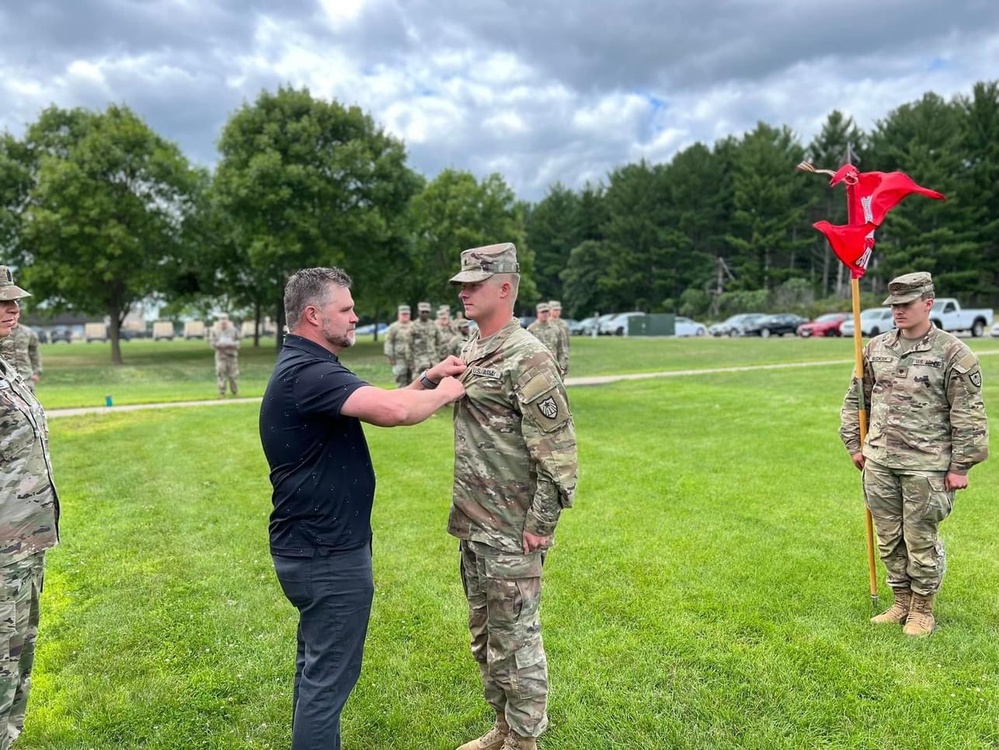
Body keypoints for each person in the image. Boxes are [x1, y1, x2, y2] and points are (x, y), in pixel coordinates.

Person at [259, 267, 465, 750]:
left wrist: (426, 377)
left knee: (316, 671)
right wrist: (446, 393)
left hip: (312, 549)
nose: (355, 318)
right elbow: (394, 413)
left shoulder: (308, 365)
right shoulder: (308, 373)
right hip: (325, 555)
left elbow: (381, 398)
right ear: (313, 315)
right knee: (327, 682)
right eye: (346, 310)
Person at [449, 243, 577, 750]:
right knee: (486, 637)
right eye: (461, 285)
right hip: (474, 523)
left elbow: (559, 455)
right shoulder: (477, 348)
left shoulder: (529, 356)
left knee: (517, 642)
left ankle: (525, 742)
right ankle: (502, 729)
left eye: (473, 284)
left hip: (511, 528)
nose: (464, 292)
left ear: (505, 287)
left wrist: (540, 524)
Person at [840, 271, 988, 637]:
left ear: (928, 304)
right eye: (894, 305)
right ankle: (901, 602)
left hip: (928, 466)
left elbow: (968, 413)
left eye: (906, 304)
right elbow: (857, 399)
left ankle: (923, 609)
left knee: (920, 538)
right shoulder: (876, 348)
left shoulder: (954, 353)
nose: (898, 311)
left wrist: (961, 466)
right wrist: (855, 445)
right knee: (889, 537)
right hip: (880, 462)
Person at [0, 266, 60, 748]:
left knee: (20, 649)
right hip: (1, 547)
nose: (12, 308)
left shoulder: (7, 369)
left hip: (25, 539)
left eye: (14, 300)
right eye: (1, 303)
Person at [0, 320, 41, 394]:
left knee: (30, 402)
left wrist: (36, 372)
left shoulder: (28, 332)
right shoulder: (2, 332)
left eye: (15, 313)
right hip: (6, 376)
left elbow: (34, 353)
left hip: (26, 375)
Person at [526, 303, 566, 376]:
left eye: (546, 312)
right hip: (538, 368)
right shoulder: (531, 329)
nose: (545, 314)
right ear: (538, 313)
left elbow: (561, 350)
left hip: (554, 368)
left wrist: (562, 367)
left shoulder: (556, 329)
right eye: (542, 312)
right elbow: (527, 351)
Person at [407, 301, 446, 375]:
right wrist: (411, 362)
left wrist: (438, 355)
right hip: (418, 362)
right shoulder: (413, 326)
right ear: (419, 312)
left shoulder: (433, 325)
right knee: (418, 384)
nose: (425, 314)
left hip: (433, 361)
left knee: (434, 384)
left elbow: (441, 341)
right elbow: (408, 345)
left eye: (427, 312)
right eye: (423, 312)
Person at [209, 314, 241, 398]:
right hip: (221, 356)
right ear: (219, 321)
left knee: (233, 375)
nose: (223, 323)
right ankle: (222, 392)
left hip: (232, 356)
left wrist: (233, 344)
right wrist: (218, 344)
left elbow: (239, 341)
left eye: (225, 321)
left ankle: (235, 392)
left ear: (228, 321)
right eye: (221, 321)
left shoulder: (234, 330)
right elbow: (211, 343)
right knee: (221, 374)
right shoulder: (214, 330)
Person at [383, 304, 412, 389]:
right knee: (401, 381)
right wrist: (391, 357)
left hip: (413, 359)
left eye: (407, 314)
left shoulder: (414, 326)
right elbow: (388, 342)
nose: (405, 316)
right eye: (403, 314)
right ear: (399, 315)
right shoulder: (393, 327)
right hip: (400, 359)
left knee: (414, 381)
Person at [548, 301, 570, 375]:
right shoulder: (547, 323)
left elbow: (567, 341)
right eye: (555, 310)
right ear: (550, 310)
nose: (557, 312)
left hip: (562, 354)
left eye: (558, 310)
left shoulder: (563, 324)